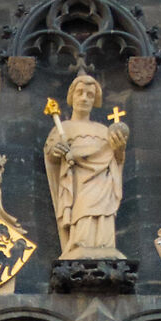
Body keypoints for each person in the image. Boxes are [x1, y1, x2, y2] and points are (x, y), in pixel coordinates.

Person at [43, 70, 126, 257]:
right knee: (83, 210)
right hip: (77, 182)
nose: (84, 98)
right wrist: (57, 152)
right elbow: (51, 156)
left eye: (90, 95)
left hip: (103, 182)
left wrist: (120, 148)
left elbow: (116, 160)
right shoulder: (64, 127)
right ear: (71, 97)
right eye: (80, 93)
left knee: (103, 214)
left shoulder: (103, 129)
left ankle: (104, 247)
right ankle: (79, 245)